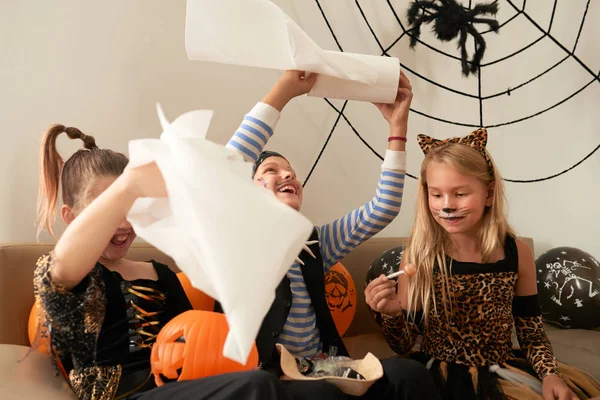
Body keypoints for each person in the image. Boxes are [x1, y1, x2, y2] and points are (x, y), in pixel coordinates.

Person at [33, 126, 300, 400]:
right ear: (71, 217)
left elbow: (193, 339)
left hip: (177, 388)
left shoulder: (159, 274)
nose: (124, 222)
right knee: (259, 385)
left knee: (316, 391)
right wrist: (129, 186)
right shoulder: (68, 278)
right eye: (110, 208)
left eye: (133, 205)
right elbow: (63, 263)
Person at [219, 70, 439, 400]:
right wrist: (285, 91)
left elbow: (383, 209)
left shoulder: (315, 242)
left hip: (326, 368)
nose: (288, 173)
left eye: (289, 169)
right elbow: (221, 170)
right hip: (272, 378)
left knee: (411, 374)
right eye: (270, 171)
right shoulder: (234, 241)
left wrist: (397, 127)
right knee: (323, 396)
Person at [365, 129, 600, 399]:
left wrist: (549, 374)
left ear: (488, 194)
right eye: (437, 195)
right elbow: (404, 346)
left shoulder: (516, 253)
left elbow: (532, 333)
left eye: (460, 194)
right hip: (436, 375)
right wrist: (392, 315)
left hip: (500, 372)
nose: (447, 206)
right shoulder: (419, 257)